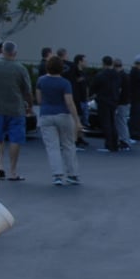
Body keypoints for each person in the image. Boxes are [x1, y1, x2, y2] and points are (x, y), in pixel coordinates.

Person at [35, 54, 83, 185]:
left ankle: (57, 175)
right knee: (68, 144)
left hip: (46, 115)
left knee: (53, 147)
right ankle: (72, 174)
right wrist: (77, 120)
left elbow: (39, 100)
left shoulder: (41, 81)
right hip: (63, 115)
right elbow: (69, 102)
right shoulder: (65, 83)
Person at [0, 41, 33, 180]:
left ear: (2, 51)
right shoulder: (20, 68)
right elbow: (27, 91)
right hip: (15, 109)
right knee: (15, 139)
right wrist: (29, 106)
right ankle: (13, 171)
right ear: (14, 53)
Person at [90, 55, 121, 152]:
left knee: (106, 123)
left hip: (103, 100)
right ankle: (115, 144)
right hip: (114, 100)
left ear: (103, 63)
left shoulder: (101, 75)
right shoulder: (116, 74)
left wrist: (93, 94)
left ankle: (109, 144)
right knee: (112, 122)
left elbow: (93, 87)